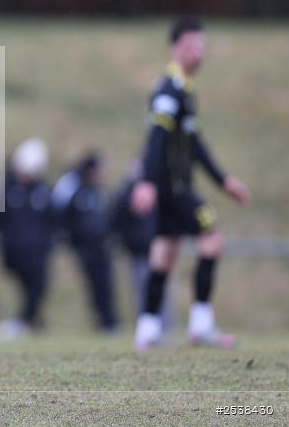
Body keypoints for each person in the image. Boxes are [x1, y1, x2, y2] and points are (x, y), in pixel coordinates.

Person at [131, 18, 250, 351]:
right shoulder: (169, 89)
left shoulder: (184, 90)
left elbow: (195, 144)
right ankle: (201, 327)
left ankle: (147, 330)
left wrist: (224, 181)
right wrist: (146, 182)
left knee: (163, 257)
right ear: (174, 48)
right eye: (190, 46)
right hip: (175, 189)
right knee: (212, 242)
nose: (197, 53)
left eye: (201, 46)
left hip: (171, 188)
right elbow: (156, 137)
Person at [0, 139, 54, 341]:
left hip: (37, 251)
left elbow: (50, 220)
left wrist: (46, 244)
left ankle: (27, 320)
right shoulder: (7, 189)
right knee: (28, 287)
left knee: (39, 286)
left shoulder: (42, 191)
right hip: (15, 250)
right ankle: (27, 320)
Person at [51, 152, 118, 332]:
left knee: (107, 285)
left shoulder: (99, 192)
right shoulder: (75, 190)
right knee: (95, 285)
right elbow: (63, 216)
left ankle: (110, 322)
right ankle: (104, 322)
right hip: (85, 247)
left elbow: (108, 217)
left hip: (102, 246)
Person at [109, 161, 175, 332]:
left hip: (157, 249)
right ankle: (147, 328)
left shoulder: (158, 192)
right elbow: (116, 221)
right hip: (139, 252)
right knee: (142, 291)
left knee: (161, 290)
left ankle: (167, 327)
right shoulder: (125, 197)